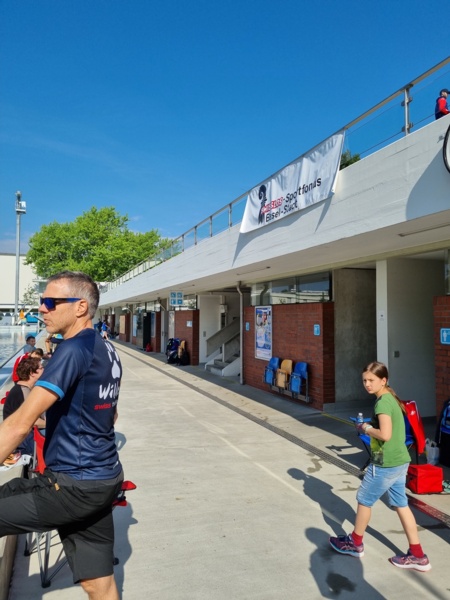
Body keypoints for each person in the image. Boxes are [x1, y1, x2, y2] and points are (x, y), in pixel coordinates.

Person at [0, 271, 123, 599]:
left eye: (51, 302)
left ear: (80, 307)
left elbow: (19, 423)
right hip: (104, 479)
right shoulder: (107, 349)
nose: (42, 308)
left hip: (72, 485)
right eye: (43, 301)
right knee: (98, 583)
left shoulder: (72, 350)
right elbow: (111, 414)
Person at [329, 361, 431, 572]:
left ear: (383, 380)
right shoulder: (392, 399)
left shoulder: (382, 403)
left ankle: (355, 543)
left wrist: (365, 427)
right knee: (401, 505)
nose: (367, 384)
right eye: (364, 380)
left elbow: (385, 434)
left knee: (364, 500)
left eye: (371, 380)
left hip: (386, 463)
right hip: (400, 460)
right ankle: (418, 555)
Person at [2, 356, 45, 456]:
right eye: (41, 368)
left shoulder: (24, 389)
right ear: (32, 373)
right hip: (21, 439)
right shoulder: (23, 391)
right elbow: (33, 422)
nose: (44, 369)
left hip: (21, 435)